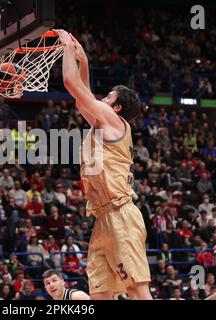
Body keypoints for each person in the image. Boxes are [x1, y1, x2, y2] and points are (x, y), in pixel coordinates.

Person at [55, 29, 151, 300]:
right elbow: (81, 97)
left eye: (107, 97)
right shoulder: (104, 122)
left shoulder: (111, 120)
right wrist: (83, 61)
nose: (101, 100)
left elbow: (70, 83)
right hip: (103, 218)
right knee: (100, 292)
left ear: (116, 108)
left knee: (136, 289)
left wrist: (64, 47)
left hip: (121, 214)